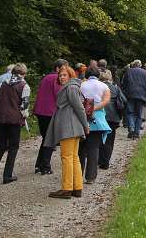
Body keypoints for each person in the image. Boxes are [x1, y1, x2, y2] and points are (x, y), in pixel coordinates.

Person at [45, 65, 89, 199]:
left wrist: (86, 124)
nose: (61, 77)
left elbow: (79, 108)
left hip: (69, 127)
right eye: (60, 75)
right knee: (74, 157)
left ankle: (67, 188)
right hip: (73, 127)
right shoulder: (74, 87)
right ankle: (77, 187)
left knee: (67, 157)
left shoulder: (70, 88)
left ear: (70, 76)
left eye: (64, 75)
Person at [0, 63, 29, 185]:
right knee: (13, 147)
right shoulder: (24, 86)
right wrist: (24, 117)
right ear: (23, 74)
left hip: (1, 119)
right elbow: (24, 106)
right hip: (14, 120)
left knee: (0, 147)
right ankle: (7, 175)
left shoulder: (2, 83)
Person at [34, 58, 68, 175]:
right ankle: (45, 166)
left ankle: (39, 164)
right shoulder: (56, 79)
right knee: (50, 139)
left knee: (45, 138)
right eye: (64, 68)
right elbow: (59, 95)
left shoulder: (46, 77)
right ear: (58, 68)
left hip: (40, 111)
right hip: (50, 112)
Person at [78, 66, 111, 184]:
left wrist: (85, 109)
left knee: (80, 149)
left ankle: (78, 175)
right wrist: (94, 108)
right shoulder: (104, 86)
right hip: (97, 121)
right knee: (93, 148)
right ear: (98, 75)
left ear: (86, 74)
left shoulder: (81, 85)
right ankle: (91, 177)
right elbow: (106, 101)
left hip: (81, 119)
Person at [99, 71, 126, 170]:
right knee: (110, 140)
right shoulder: (115, 88)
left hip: (100, 115)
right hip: (113, 117)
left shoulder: (98, 88)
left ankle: (99, 159)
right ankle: (106, 162)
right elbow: (124, 100)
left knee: (98, 137)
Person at [121, 59, 146, 139]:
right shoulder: (145, 72)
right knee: (139, 114)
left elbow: (124, 83)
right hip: (142, 95)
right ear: (140, 65)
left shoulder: (128, 71)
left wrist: (126, 92)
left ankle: (131, 128)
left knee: (130, 113)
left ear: (133, 65)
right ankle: (136, 132)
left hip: (130, 95)